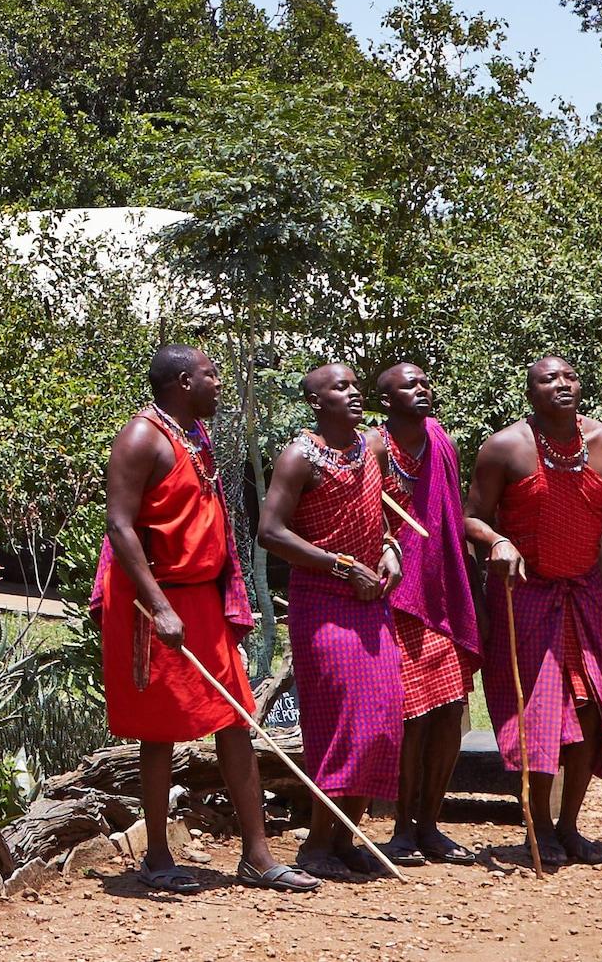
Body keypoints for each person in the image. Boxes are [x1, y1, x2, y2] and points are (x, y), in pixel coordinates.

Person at [95, 344, 319, 894]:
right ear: (180, 382)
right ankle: (155, 855)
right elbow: (121, 527)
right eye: (210, 375)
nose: (219, 383)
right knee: (158, 732)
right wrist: (162, 606)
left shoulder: (195, 434)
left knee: (237, 717)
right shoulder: (141, 437)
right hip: (154, 604)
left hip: (200, 600)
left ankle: (258, 855)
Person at [464, 355, 602, 864]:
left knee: (589, 710)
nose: (562, 384)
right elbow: (468, 519)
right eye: (548, 379)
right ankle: (536, 827)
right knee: (537, 715)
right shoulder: (505, 448)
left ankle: (568, 826)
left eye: (569, 376)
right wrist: (497, 540)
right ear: (530, 393)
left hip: (583, 596)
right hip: (525, 599)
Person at [259, 363, 404, 879]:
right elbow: (270, 533)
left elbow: (380, 512)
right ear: (316, 402)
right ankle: (317, 845)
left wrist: (389, 549)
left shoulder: (374, 447)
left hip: (371, 600)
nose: (353, 394)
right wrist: (339, 564)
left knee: (383, 720)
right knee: (344, 724)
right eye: (339, 388)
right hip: (323, 602)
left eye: (355, 386)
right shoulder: (299, 457)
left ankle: (345, 839)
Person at [376, 362, 483, 866]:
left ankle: (431, 824)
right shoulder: (374, 449)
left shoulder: (441, 441)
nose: (423, 388)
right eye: (409, 385)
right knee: (411, 716)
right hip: (395, 598)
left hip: (441, 592)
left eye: (425, 381)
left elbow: (452, 513)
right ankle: (400, 827)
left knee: (448, 711)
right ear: (386, 401)